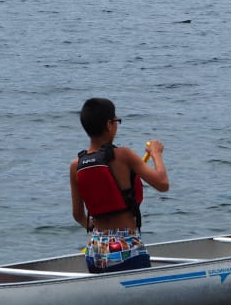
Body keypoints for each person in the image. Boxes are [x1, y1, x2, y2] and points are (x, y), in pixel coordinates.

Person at [69, 97, 169, 273]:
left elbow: (78, 215)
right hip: (125, 248)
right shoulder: (123, 155)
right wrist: (156, 154)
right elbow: (162, 184)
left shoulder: (76, 165)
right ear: (109, 125)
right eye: (116, 121)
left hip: (95, 250)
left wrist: (103, 234)